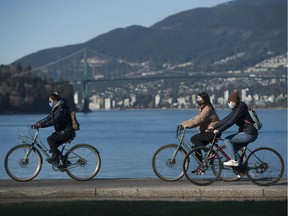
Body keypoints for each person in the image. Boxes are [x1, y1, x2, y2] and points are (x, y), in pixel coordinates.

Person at [212, 90, 258, 166]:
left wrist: (219, 130)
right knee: (232, 149)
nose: (228, 104)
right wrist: (214, 126)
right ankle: (241, 169)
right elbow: (227, 119)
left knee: (227, 140)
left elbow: (231, 122)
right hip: (247, 132)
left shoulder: (240, 108)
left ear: (234, 101)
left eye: (229, 102)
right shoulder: (236, 108)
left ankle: (235, 161)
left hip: (249, 134)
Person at [32, 93, 76, 163]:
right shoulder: (56, 108)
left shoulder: (61, 108)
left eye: (50, 101)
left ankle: (56, 159)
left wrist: (42, 126)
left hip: (67, 132)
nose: (49, 103)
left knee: (50, 139)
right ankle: (65, 162)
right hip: (62, 132)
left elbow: (55, 120)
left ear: (55, 101)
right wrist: (38, 123)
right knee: (53, 148)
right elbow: (48, 118)